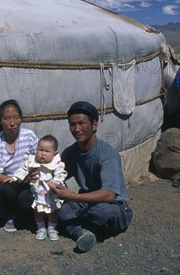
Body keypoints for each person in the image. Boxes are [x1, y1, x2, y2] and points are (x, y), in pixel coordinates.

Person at [53, 101, 133, 253]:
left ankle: (82, 229)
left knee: (101, 213)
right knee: (57, 208)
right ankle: (84, 234)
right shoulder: (70, 153)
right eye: (72, 124)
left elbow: (109, 195)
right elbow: (58, 175)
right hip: (87, 203)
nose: (76, 129)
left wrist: (73, 196)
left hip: (114, 206)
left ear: (94, 125)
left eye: (81, 123)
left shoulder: (107, 154)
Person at [0, 99, 39, 232]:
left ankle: (28, 217)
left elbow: (40, 160)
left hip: (30, 181)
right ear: (0, 121)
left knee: (26, 199)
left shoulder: (29, 137)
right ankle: (12, 215)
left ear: (21, 119)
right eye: (7, 118)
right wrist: (19, 180)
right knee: (5, 190)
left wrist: (29, 178)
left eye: (16, 118)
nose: (12, 123)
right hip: (10, 183)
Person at [10, 135, 67, 241]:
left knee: (53, 211)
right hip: (37, 192)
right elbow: (23, 169)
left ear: (54, 153)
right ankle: (41, 228)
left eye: (47, 151)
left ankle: (51, 228)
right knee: (38, 210)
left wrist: (56, 182)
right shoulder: (32, 161)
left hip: (51, 192)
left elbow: (61, 174)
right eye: (40, 150)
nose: (42, 153)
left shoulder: (57, 163)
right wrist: (14, 177)